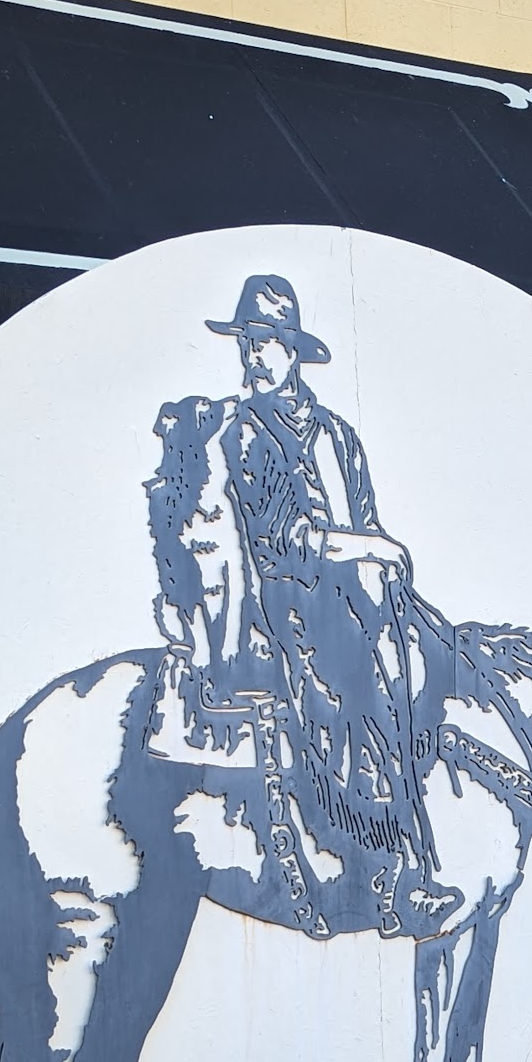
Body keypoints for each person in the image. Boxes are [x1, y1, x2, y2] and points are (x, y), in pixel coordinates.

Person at [204, 274, 452, 933]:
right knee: (353, 694)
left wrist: (378, 561)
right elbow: (280, 542)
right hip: (294, 602)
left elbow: (366, 518)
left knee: (434, 657)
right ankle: (385, 873)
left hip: (357, 595)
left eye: (264, 342)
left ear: (292, 351)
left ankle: (434, 812)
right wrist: (365, 549)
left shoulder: (338, 435)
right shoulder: (246, 435)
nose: (252, 356)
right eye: (247, 342)